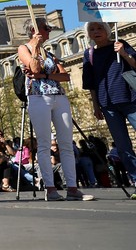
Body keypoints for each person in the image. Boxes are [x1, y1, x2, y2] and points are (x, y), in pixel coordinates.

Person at [17, 18, 95, 201]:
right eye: (46, 28)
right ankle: (50, 188)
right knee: (44, 144)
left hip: (59, 97)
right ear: (35, 30)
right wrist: (35, 47)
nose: (49, 31)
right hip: (38, 96)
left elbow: (65, 76)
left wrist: (43, 75)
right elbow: (33, 66)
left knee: (66, 143)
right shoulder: (24, 49)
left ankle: (73, 187)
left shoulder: (49, 53)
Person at [82, 20, 136, 194]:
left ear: (107, 31)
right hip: (108, 104)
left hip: (130, 98)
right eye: (92, 29)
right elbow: (90, 83)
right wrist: (96, 105)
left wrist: (124, 54)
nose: (96, 31)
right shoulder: (89, 54)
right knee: (122, 146)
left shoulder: (121, 44)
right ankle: (135, 179)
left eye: (99, 28)